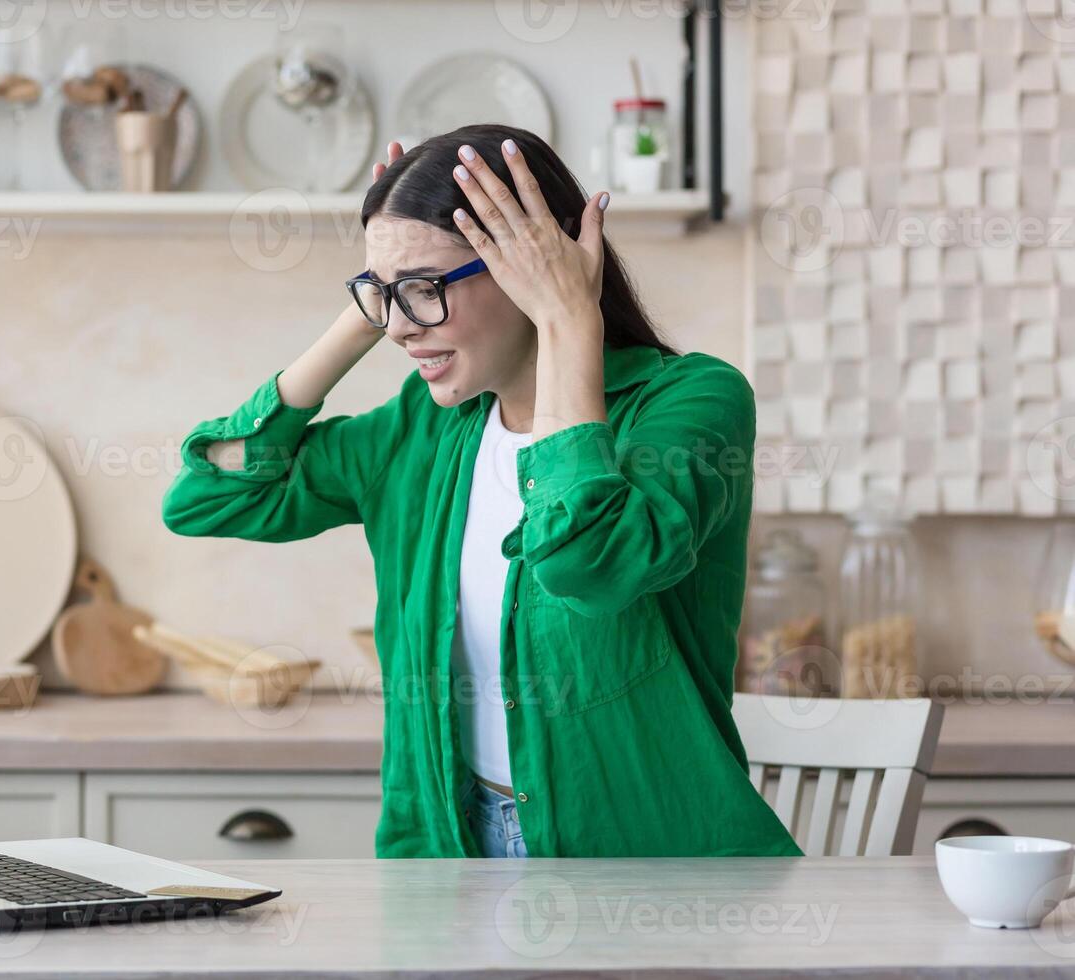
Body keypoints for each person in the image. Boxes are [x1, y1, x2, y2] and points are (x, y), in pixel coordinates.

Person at [163, 123, 800, 860]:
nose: (401, 328)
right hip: (448, 859)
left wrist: (569, 318)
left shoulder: (692, 402)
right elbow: (209, 496)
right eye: (382, 297)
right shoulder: (424, 430)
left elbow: (587, 565)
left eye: (427, 291)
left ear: (538, 265)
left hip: (653, 873)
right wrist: (378, 295)